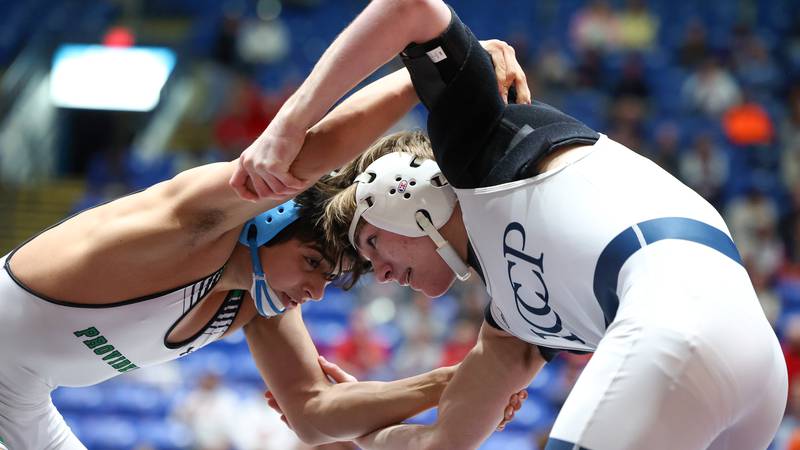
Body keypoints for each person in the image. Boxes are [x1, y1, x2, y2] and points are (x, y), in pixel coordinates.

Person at [234, 1, 788, 449]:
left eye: (370, 242)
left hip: (680, 329)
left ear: (402, 191)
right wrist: (363, 430)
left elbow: (409, 9)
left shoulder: (475, 156)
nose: (379, 272)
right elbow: (439, 446)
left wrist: (289, 126)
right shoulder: (512, 328)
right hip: (749, 376)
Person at [0, 37, 528, 449]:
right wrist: (440, 73)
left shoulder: (254, 303)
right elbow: (307, 157)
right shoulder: (190, 224)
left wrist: (460, 381)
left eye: (330, 280)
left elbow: (314, 415)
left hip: (21, 404)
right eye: (315, 263)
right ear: (269, 220)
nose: (317, 294)